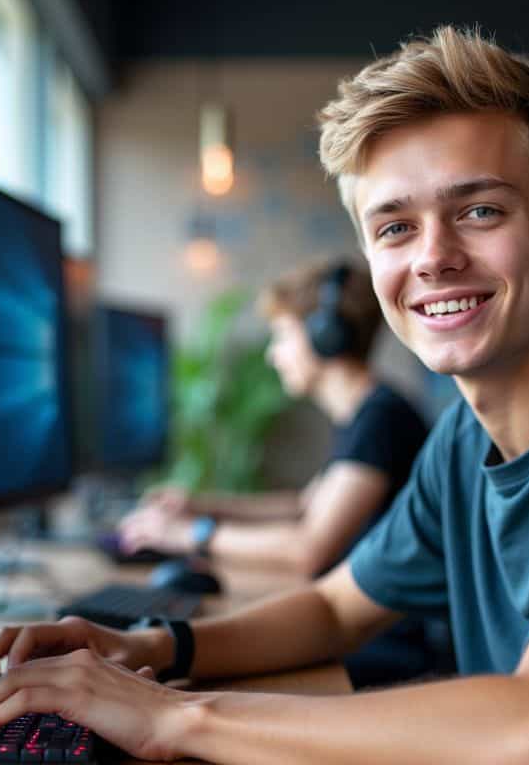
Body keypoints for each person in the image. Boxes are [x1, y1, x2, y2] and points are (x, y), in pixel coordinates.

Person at [0, 26, 529, 764]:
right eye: (395, 227)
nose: (432, 257)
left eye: (479, 211)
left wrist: (175, 717)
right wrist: (148, 646)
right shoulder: (467, 434)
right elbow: (337, 607)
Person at [117, 259, 446, 686]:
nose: (273, 355)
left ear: (324, 337)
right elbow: (303, 506)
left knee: (207, 677)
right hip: (372, 630)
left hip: (392, 642)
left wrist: (191, 534)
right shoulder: (362, 415)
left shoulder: (381, 421)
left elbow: (309, 548)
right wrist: (200, 504)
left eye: (282, 336)